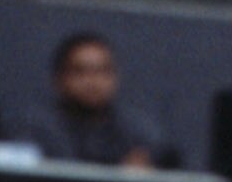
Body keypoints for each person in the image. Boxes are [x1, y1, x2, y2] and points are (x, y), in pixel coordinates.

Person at [44, 32, 158, 171]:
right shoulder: (37, 130)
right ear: (60, 78)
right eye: (80, 71)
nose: (93, 82)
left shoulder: (137, 133)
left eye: (102, 71)